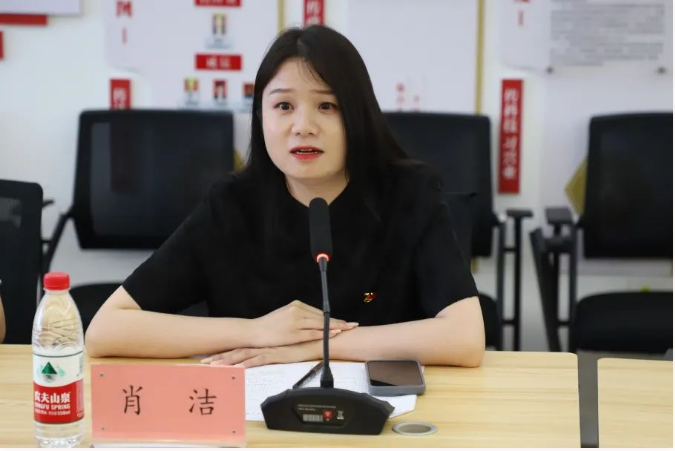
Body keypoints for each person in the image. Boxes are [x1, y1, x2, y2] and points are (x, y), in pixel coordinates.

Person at [85, 25, 485, 368]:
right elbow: (106, 330)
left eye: (326, 105)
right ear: (261, 117)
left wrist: (317, 347)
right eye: (283, 105)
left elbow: (465, 338)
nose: (303, 126)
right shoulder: (231, 206)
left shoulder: (408, 195)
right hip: (254, 417)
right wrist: (257, 332)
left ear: (358, 115)